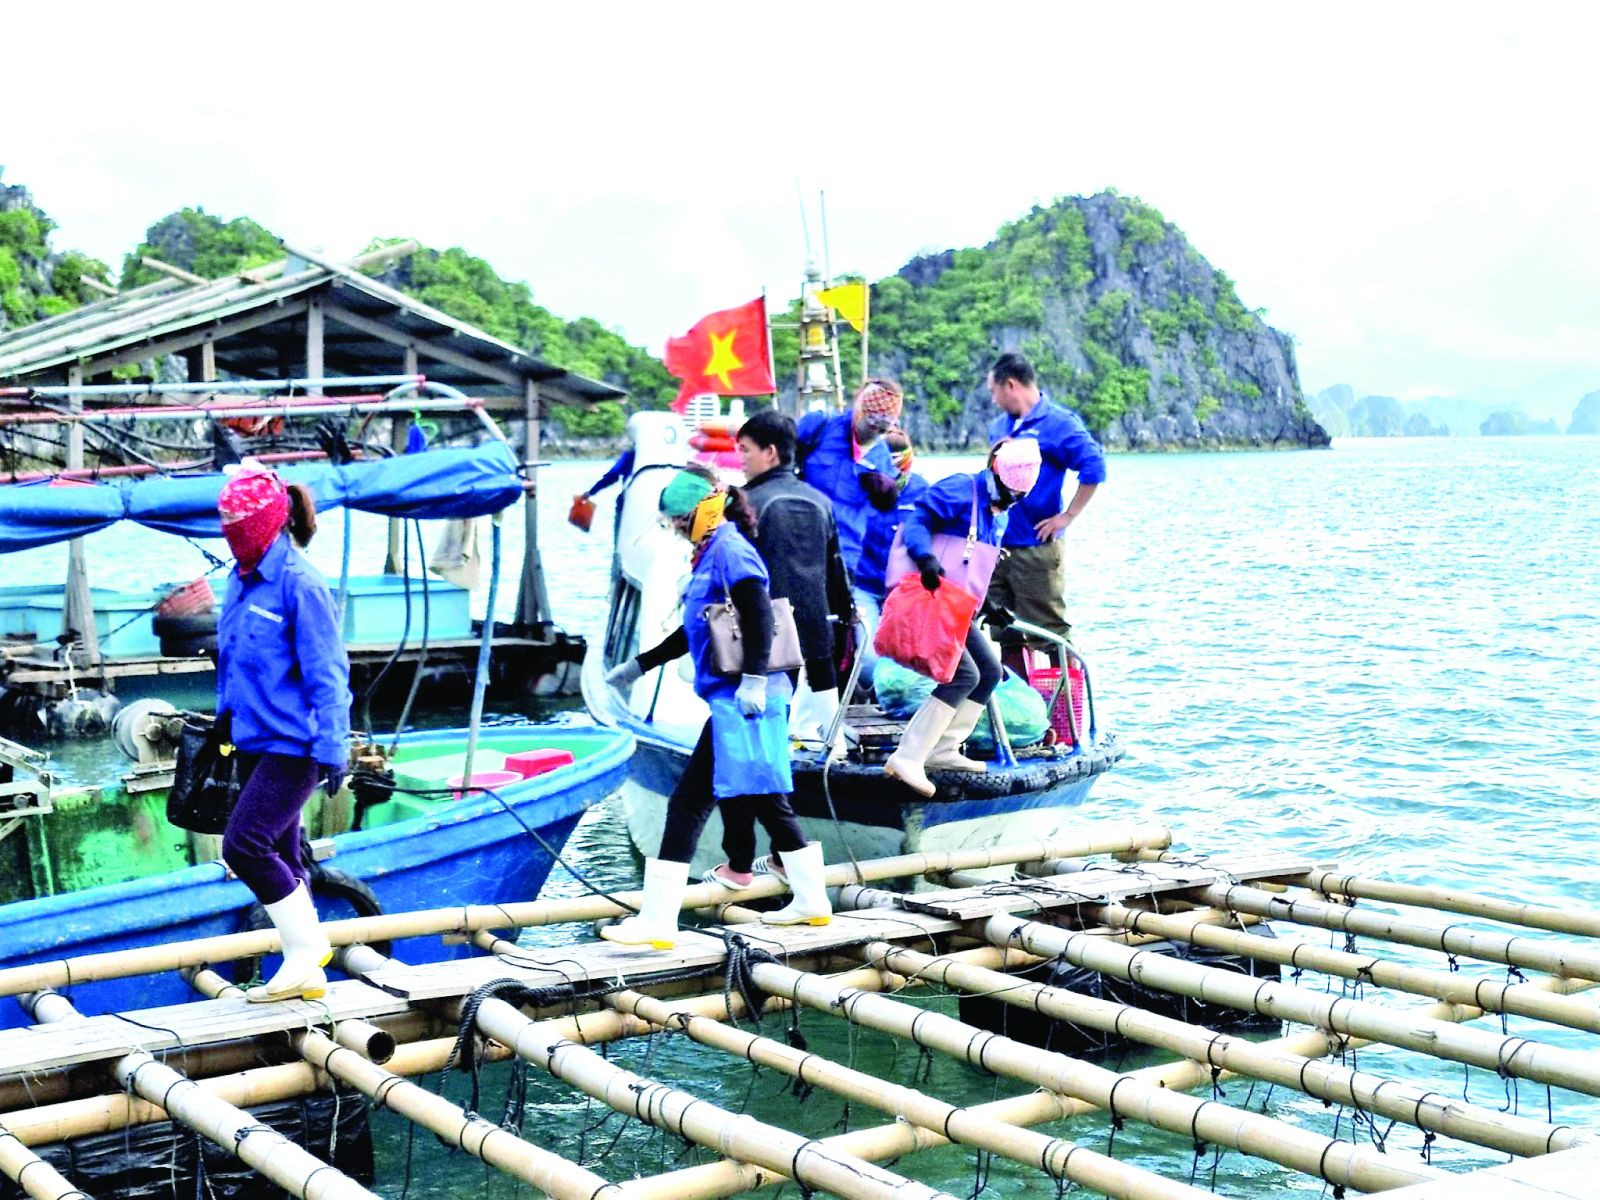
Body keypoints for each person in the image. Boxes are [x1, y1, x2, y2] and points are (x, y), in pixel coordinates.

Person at [601, 464, 830, 945]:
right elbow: (699, 629)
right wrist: (640, 666)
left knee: (692, 802)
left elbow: (759, 616)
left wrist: (752, 680)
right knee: (763, 798)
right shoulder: (710, 554)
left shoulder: (729, 551)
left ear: (704, 509)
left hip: (746, 697)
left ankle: (658, 920)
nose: (678, 530)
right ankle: (812, 900)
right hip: (734, 700)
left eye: (681, 520)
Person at [215, 463, 352, 1003]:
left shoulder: (300, 583)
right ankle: (307, 973)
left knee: (243, 846)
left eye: (239, 525)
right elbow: (232, 659)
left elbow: (328, 674)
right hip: (250, 738)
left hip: (296, 745)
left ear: (269, 522)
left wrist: (333, 748)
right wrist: (224, 723)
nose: (232, 535)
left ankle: (304, 949)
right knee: (282, 847)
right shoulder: (238, 577)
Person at [883, 439, 1042, 797]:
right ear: (997, 474)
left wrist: (989, 609)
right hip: (929, 595)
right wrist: (924, 558)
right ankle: (908, 756)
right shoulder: (961, 488)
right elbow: (919, 520)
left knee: (989, 672)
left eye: (1018, 496)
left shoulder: (999, 511)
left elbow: (972, 570)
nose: (1011, 501)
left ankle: (944, 748)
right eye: (1009, 492)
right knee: (964, 673)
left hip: (958, 606)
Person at [735, 409, 854, 748]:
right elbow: (836, 568)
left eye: (745, 449)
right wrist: (846, 609)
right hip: (816, 621)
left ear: (770, 452)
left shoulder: (744, 504)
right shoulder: (821, 501)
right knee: (824, 685)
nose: (740, 458)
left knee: (770, 709)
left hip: (762, 630)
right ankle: (836, 752)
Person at [985, 352, 1106, 654]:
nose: (993, 400)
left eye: (993, 392)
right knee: (1004, 631)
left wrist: (1067, 516)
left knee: (1049, 634)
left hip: (1037, 547)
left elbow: (1094, 466)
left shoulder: (1059, 424)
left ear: (1010, 385)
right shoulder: (999, 427)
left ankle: (1063, 699)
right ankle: (1019, 698)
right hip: (999, 546)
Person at [796, 379, 903, 684]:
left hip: (844, 559)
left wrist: (886, 493)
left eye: (883, 429)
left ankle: (834, 709)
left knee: (837, 641)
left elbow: (885, 510)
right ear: (858, 409)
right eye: (870, 424)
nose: (873, 433)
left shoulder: (881, 455)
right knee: (797, 632)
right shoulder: (821, 427)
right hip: (802, 547)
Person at [852, 428, 928, 690]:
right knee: (869, 662)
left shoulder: (923, 492)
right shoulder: (861, 489)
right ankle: (868, 696)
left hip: (905, 590)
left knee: (911, 660)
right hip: (865, 587)